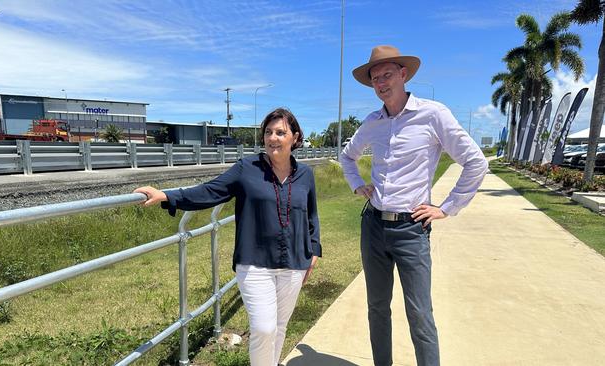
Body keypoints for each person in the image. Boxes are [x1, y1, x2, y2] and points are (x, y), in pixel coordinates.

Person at [134, 108, 321, 366]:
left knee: (279, 326)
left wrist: (314, 250)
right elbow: (210, 191)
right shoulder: (247, 169)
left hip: (294, 264)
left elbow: (311, 215)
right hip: (254, 263)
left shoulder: (305, 175)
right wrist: (167, 195)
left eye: (280, 132)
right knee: (264, 329)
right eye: (268, 132)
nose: (273, 138)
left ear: (295, 138)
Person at [340, 45, 488, 366]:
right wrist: (357, 184)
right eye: (375, 78)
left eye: (388, 75)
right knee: (377, 307)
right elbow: (347, 155)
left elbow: (476, 162)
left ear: (404, 75)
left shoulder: (433, 115)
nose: (381, 82)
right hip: (374, 226)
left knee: (420, 314)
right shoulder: (372, 122)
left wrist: (447, 207)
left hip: (411, 230)